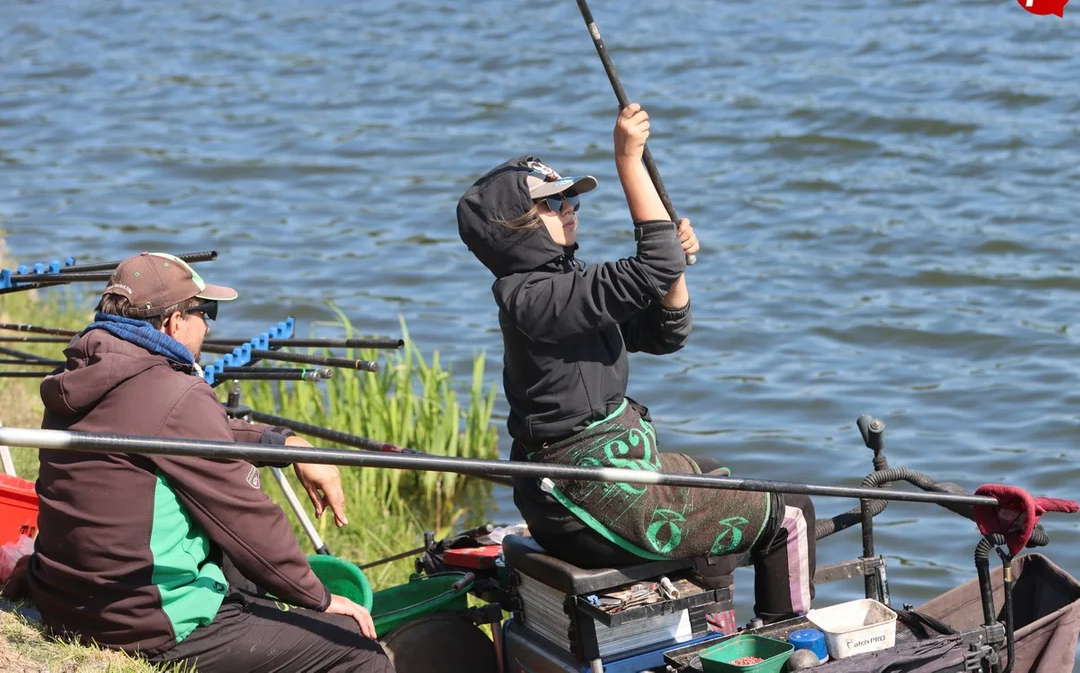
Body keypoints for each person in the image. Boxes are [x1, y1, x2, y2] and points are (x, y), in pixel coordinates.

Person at [457, 104, 816, 623]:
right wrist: (630, 159)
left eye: (567, 197)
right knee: (790, 512)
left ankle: (714, 628)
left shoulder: (563, 287)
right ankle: (789, 640)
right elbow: (655, 262)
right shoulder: (534, 298)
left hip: (609, 474)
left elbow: (665, 332)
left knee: (714, 476)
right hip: (585, 499)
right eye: (551, 204)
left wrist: (672, 269)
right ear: (513, 231)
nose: (568, 206)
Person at [26, 251, 393, 673]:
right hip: (138, 623)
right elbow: (246, 517)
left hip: (63, 598)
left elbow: (184, 432)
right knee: (358, 652)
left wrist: (285, 443)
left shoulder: (80, 376)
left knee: (241, 575)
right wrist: (320, 598)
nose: (210, 324)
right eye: (206, 312)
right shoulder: (173, 391)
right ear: (173, 321)